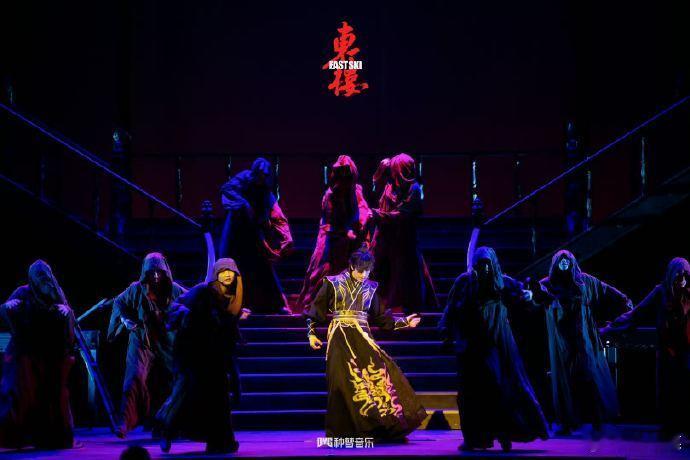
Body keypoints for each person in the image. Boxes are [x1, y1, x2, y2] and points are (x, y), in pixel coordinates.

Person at [303, 245, 427, 442]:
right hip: (340, 338)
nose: (363, 275)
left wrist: (405, 322)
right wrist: (311, 335)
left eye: (367, 271)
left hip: (363, 338)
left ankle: (378, 428)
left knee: (379, 377)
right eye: (360, 271)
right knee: (342, 383)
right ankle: (344, 433)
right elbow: (315, 311)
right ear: (352, 266)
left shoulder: (370, 287)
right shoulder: (333, 283)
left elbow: (381, 319)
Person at [439, 247, 548, 451]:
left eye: (488, 264)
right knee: (471, 394)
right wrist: (446, 331)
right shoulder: (465, 282)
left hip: (498, 343)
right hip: (472, 344)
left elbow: (524, 299)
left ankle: (506, 434)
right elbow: (451, 307)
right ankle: (475, 439)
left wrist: (530, 296)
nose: (485, 269)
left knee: (502, 388)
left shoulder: (503, 282)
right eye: (481, 264)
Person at [535, 249, 632, 435]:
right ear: (556, 263)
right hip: (562, 340)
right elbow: (534, 295)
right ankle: (567, 422)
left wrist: (623, 299)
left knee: (590, 376)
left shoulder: (584, 280)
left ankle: (597, 419)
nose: (564, 262)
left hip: (583, 337)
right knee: (565, 380)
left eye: (567, 260)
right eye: (561, 260)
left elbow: (604, 288)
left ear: (572, 262)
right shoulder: (549, 283)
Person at [156, 258, 243, 454]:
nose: (228, 277)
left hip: (215, 354)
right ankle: (167, 428)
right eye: (223, 273)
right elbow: (176, 309)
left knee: (218, 400)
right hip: (194, 353)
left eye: (231, 273)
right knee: (186, 396)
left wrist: (234, 373)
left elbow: (228, 329)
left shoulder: (233, 297)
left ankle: (220, 441)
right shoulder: (203, 291)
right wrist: (186, 315)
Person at [601, 257, 690, 439]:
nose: (682, 278)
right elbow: (637, 313)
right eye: (678, 274)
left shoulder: (688, 293)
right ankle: (669, 429)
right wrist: (610, 329)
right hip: (667, 352)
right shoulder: (661, 292)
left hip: (686, 352)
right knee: (667, 391)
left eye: (685, 274)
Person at [107, 252, 186, 438]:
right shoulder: (136, 289)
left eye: (159, 272)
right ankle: (125, 421)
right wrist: (125, 319)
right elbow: (119, 302)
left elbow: (194, 300)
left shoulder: (175, 290)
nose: (156, 276)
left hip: (167, 340)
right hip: (143, 338)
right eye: (152, 272)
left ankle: (169, 424)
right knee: (134, 376)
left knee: (174, 379)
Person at [0, 260, 78, 449]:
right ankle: (18, 435)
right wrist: (8, 307)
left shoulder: (56, 292)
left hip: (50, 352)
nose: (43, 280)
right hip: (27, 350)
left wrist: (67, 312)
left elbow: (69, 317)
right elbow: (6, 309)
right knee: (22, 390)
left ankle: (52, 437)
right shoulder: (23, 292)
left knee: (52, 394)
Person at [218, 157, 293, 314]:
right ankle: (238, 305)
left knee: (264, 269)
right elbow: (227, 190)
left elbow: (276, 212)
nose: (262, 178)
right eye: (260, 175)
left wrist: (286, 235)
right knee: (240, 270)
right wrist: (244, 204)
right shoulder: (245, 178)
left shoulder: (265, 190)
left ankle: (275, 304)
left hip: (254, 235)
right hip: (237, 235)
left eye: (265, 176)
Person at [296, 155, 370, 311]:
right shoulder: (331, 195)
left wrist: (360, 225)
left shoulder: (356, 191)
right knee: (324, 269)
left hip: (350, 240)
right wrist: (345, 231)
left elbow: (362, 210)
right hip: (332, 238)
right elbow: (331, 221)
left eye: (347, 176)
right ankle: (313, 304)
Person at [370, 153, 438, 313]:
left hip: (404, 241)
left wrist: (379, 215)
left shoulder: (414, 189)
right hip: (385, 240)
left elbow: (403, 214)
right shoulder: (390, 186)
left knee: (404, 276)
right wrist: (380, 170)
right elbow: (376, 189)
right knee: (380, 274)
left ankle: (402, 308)